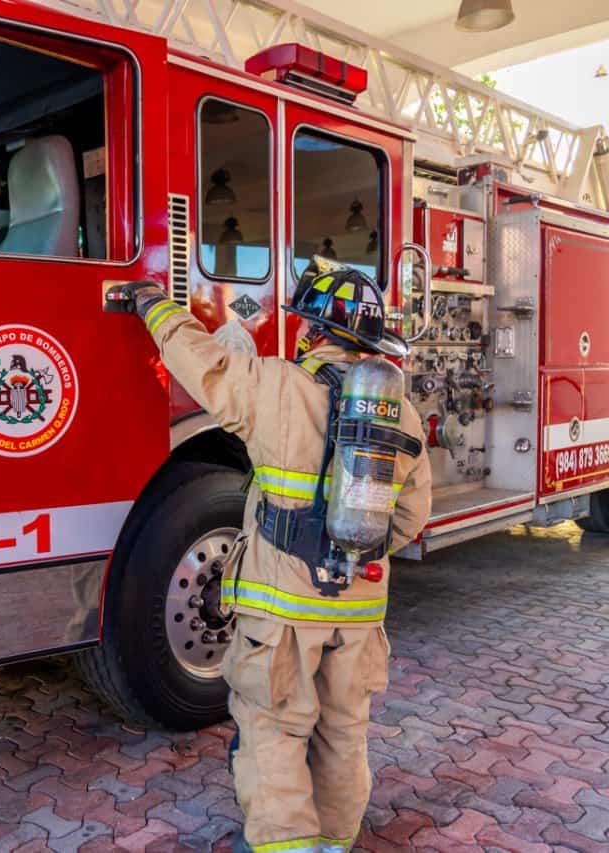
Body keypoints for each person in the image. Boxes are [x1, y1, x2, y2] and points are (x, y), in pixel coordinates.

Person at [108, 258, 431, 853]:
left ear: (312, 331)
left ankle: (285, 847)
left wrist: (153, 305)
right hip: (361, 614)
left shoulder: (278, 387)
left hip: (283, 613)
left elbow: (200, 365)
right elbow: (410, 519)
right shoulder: (401, 414)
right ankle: (336, 842)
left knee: (275, 729)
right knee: (343, 731)